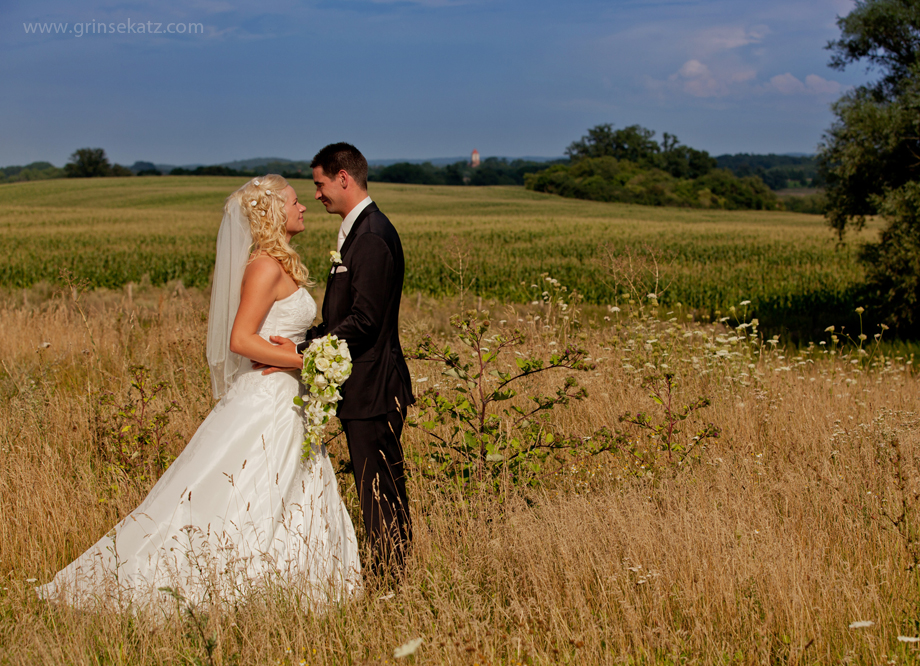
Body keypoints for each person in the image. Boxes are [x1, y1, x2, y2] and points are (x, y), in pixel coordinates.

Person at [37, 175, 361, 609]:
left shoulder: (278, 263)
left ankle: (297, 584)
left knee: (292, 488)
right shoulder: (264, 266)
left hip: (289, 396)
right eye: (295, 201)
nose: (304, 207)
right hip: (270, 396)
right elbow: (242, 340)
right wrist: (309, 362)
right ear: (272, 212)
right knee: (248, 490)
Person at [261, 143, 414, 576]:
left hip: (374, 388)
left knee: (379, 489)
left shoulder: (370, 236)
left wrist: (300, 352)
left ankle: (390, 580)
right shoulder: (361, 230)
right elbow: (347, 318)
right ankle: (388, 573)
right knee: (376, 487)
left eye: (320, 184)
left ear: (343, 178)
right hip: (364, 387)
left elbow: (363, 321)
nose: (317, 195)